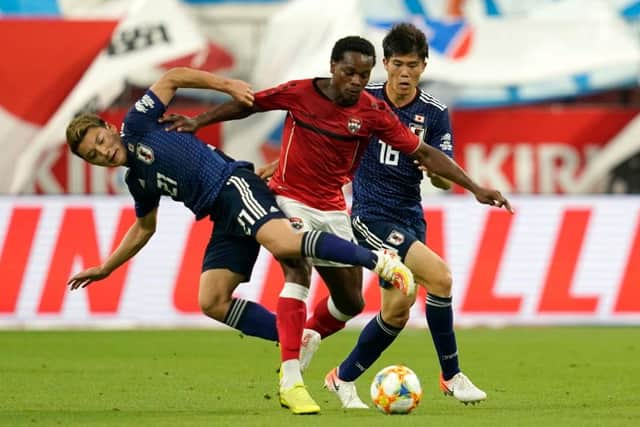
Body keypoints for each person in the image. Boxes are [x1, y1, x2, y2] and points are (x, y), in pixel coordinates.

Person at [160, 36, 510, 414]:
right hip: (321, 205)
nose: (357, 81)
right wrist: (198, 120)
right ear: (335, 67)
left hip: (346, 209)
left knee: (361, 303)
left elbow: (423, 153)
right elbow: (252, 104)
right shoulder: (302, 92)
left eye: (363, 74)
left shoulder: (379, 111)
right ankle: (294, 378)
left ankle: (323, 354)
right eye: (350, 72)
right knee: (299, 267)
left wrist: (472, 187)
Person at [64, 66, 415, 416]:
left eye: (100, 141)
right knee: (212, 300)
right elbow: (144, 228)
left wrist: (226, 84)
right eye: (93, 155)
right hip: (220, 214)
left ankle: (378, 260)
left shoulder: (137, 124)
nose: (103, 152)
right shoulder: (137, 181)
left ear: (109, 128)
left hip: (234, 186)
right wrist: (106, 268)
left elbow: (171, 77)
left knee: (286, 245)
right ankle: (297, 337)